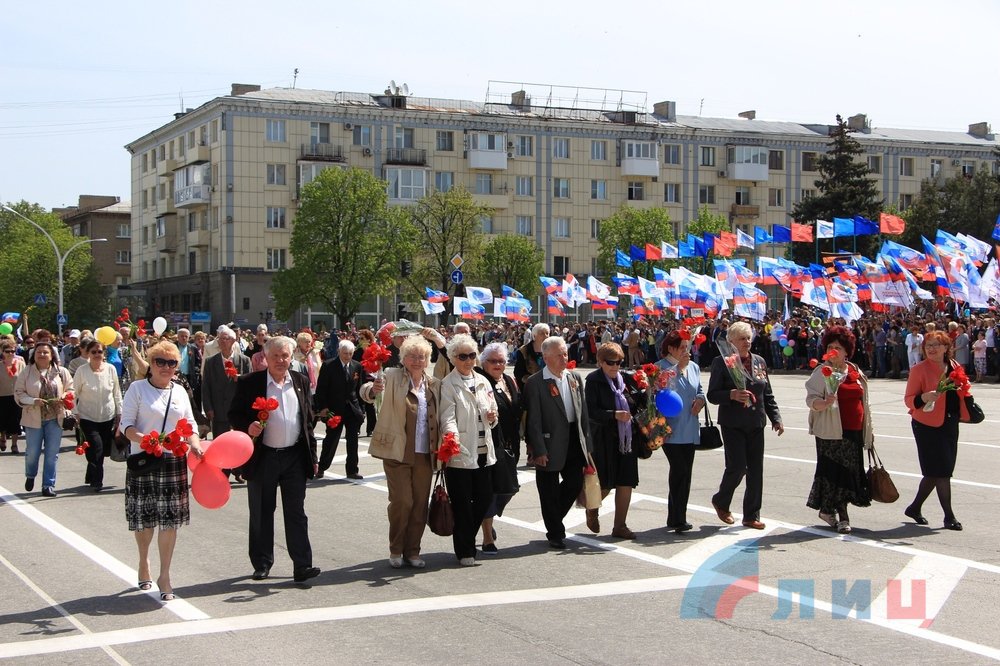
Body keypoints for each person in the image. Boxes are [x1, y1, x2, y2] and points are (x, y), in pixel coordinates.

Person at [229, 336, 321, 583]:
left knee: (296, 513)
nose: (281, 360)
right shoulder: (251, 383)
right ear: (265, 358)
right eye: (276, 356)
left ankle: (302, 565)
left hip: (294, 457)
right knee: (261, 511)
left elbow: (308, 423)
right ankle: (262, 563)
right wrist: (247, 426)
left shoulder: (300, 381)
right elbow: (234, 414)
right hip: (264, 456)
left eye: (285, 356)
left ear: (291, 357)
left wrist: (313, 456)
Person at [118, 341, 204, 601]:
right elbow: (126, 425)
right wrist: (146, 438)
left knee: (169, 520)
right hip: (144, 459)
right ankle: (144, 562)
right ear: (151, 363)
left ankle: (164, 575)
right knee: (145, 518)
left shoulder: (179, 391)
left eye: (172, 363)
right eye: (160, 362)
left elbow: (190, 424)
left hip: (173, 461)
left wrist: (196, 445)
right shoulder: (137, 389)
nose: (166, 367)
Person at [361, 335, 440, 569]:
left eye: (422, 356)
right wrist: (373, 390)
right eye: (412, 356)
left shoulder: (434, 384)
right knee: (402, 501)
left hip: (425, 454)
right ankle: (396, 548)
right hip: (397, 451)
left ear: (427, 360)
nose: (417, 360)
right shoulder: (391, 376)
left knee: (419, 504)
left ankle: (412, 551)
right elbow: (369, 391)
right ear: (403, 358)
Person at [707, 321, 784, 530]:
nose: (746, 342)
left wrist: (776, 418)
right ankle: (721, 500)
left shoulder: (759, 361)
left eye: (749, 338)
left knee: (755, 471)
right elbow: (712, 395)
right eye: (742, 338)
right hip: (733, 423)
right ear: (731, 342)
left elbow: (767, 393)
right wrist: (731, 394)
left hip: (756, 422)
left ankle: (751, 515)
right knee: (738, 466)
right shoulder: (721, 362)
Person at [523, 336, 593, 549]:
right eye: (559, 355)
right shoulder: (535, 383)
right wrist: (539, 450)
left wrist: (587, 447)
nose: (565, 358)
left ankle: (554, 519)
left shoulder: (574, 378)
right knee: (548, 490)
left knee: (573, 483)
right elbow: (533, 420)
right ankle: (555, 532)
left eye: (565, 353)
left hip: (573, 438)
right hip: (548, 440)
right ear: (545, 357)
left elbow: (583, 415)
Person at [804, 326, 873, 534]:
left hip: (854, 430)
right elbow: (811, 399)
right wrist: (824, 403)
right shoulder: (822, 371)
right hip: (831, 431)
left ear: (846, 351)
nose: (834, 351)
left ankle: (827, 511)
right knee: (837, 474)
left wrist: (869, 429)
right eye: (831, 347)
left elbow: (865, 401)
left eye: (838, 347)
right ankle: (843, 517)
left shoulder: (854, 370)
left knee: (850, 473)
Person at [439, 333, 498, 566]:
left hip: (484, 450)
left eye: (472, 355)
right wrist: (451, 436)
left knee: (484, 500)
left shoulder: (483, 381)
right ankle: (465, 550)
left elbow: (491, 410)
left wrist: (492, 417)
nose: (468, 360)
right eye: (463, 356)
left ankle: (465, 539)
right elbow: (447, 416)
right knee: (462, 504)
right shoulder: (448, 384)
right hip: (461, 451)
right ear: (453, 358)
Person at [902, 330, 970, 531]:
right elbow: (909, 400)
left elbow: (962, 391)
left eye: (936, 345)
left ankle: (914, 508)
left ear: (946, 347)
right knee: (941, 472)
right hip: (926, 425)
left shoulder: (954, 367)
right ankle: (949, 516)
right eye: (928, 345)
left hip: (949, 423)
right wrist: (924, 397)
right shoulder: (919, 369)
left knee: (938, 471)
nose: (931, 349)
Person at [585, 342, 644, 539]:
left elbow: (639, 402)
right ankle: (592, 510)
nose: (615, 366)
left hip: (627, 439)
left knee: (625, 482)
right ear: (600, 362)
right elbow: (591, 411)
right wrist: (613, 415)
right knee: (605, 484)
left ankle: (620, 525)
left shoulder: (627, 379)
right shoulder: (593, 381)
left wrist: (649, 388)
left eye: (619, 362)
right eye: (610, 362)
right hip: (604, 439)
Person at [656, 331, 706, 533]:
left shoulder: (693, 367)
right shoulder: (661, 367)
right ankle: (676, 517)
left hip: (690, 426)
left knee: (686, 474)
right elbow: (662, 390)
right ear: (671, 349)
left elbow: (700, 389)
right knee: (679, 471)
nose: (687, 351)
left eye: (688, 347)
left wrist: (700, 401)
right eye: (682, 347)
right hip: (671, 428)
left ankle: (678, 516)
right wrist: (679, 368)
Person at [474, 342, 521, 554]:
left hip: (510, 443)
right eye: (493, 361)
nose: (498, 364)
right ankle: (487, 538)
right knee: (491, 491)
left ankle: (485, 520)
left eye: (501, 361)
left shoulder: (509, 380)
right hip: (489, 443)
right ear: (483, 363)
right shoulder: (479, 380)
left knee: (509, 488)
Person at [14, 341, 73, 497]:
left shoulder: (61, 372)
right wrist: (33, 401)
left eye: (45, 352)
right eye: (39, 352)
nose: (42, 355)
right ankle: (30, 474)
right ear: (34, 355)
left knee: (52, 453)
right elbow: (18, 393)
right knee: (32, 452)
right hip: (33, 417)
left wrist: (64, 396)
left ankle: (48, 485)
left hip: (55, 418)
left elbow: (71, 389)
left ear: (51, 355)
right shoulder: (26, 372)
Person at [201, 325, 251, 480]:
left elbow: (251, 383)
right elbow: (206, 386)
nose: (222, 342)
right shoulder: (210, 362)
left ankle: (238, 470)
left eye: (226, 338)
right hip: (218, 408)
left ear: (233, 341)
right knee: (220, 442)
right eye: (220, 339)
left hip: (237, 409)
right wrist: (208, 407)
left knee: (237, 442)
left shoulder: (243, 360)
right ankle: (222, 471)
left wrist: (240, 378)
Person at [73, 339, 123, 491]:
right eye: (93, 352)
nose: (96, 354)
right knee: (96, 447)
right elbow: (73, 393)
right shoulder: (82, 371)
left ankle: (91, 471)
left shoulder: (110, 369)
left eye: (99, 352)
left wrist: (119, 412)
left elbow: (116, 393)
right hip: (87, 416)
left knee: (101, 448)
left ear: (104, 353)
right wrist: (75, 413)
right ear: (87, 353)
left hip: (107, 416)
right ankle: (97, 481)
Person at [315, 339, 365, 479]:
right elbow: (321, 389)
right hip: (334, 409)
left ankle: (352, 470)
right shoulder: (328, 365)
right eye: (345, 353)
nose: (347, 356)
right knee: (331, 439)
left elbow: (359, 389)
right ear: (339, 352)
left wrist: (361, 409)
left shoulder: (357, 366)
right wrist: (323, 407)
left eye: (350, 353)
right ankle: (322, 467)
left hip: (352, 409)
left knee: (353, 441)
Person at [1, 338, 26, 454]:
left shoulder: (20, 364)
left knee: (16, 420)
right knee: (3, 419)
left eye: (12, 351)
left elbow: (25, 379)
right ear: (2, 352)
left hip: (16, 396)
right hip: (2, 396)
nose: (10, 353)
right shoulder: (0, 365)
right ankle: (3, 438)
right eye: (7, 351)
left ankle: (14, 445)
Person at [293, 330, 322, 395]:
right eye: (305, 342)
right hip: (301, 386)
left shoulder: (315, 353)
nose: (308, 343)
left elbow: (320, 368)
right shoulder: (295, 355)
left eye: (309, 341)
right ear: (299, 343)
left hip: (316, 386)